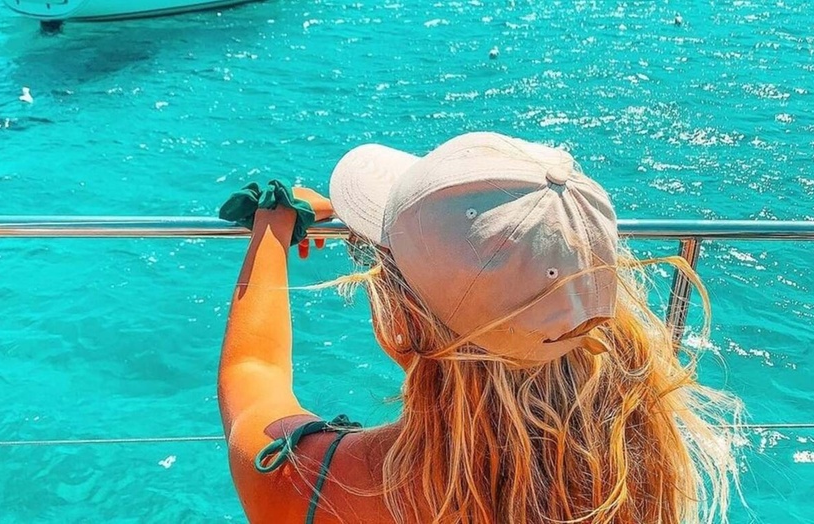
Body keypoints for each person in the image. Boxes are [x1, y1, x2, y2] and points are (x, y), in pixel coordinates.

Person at [217, 132, 742, 524]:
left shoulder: (319, 485)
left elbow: (252, 370)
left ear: (404, 316)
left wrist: (274, 225)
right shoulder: (639, 472)